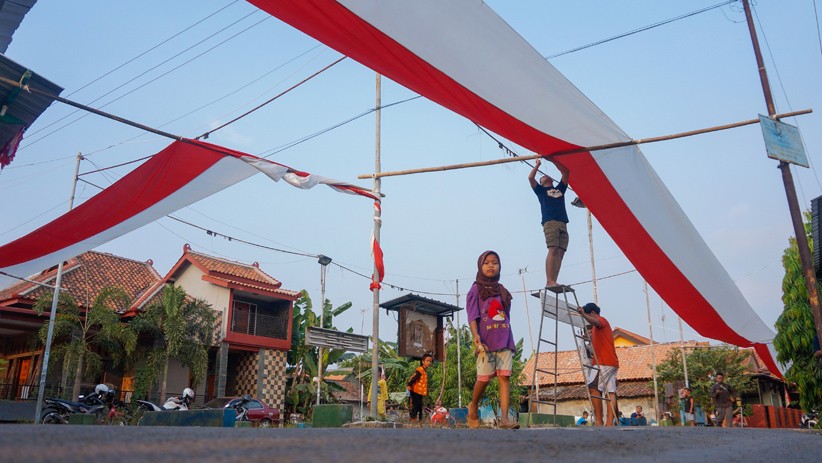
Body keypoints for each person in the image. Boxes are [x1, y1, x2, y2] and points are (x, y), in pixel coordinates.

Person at [466, 250, 519, 430]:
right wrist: (476, 336)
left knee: (505, 378)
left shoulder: (502, 290)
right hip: (485, 343)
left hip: (504, 340)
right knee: (484, 379)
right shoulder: (475, 290)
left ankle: (504, 419)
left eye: (494, 262)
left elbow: (506, 317)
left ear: (499, 267)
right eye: (487, 262)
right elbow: (472, 315)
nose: (491, 265)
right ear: (480, 266)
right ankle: (473, 405)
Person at [528, 158, 570, 287]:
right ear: (541, 182)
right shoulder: (540, 191)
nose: (545, 176)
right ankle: (549, 280)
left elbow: (566, 172)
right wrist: (538, 165)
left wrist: (553, 160)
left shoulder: (559, 189)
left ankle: (554, 280)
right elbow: (530, 178)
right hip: (550, 222)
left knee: (561, 252)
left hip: (563, 222)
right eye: (542, 177)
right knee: (553, 249)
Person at [577, 302, 619, 426]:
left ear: (592, 313)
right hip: (611, 362)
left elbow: (596, 322)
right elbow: (599, 341)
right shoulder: (598, 329)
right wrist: (588, 339)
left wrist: (583, 314)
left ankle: (599, 421)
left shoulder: (601, 320)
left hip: (603, 362)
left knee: (593, 387)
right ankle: (609, 422)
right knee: (610, 391)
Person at [407, 353, 432, 424]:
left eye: (430, 361)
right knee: (415, 405)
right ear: (423, 361)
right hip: (415, 391)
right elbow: (413, 378)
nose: (429, 363)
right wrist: (409, 385)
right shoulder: (420, 369)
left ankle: (420, 420)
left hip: (420, 392)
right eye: (427, 361)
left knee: (419, 405)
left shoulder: (424, 370)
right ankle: (412, 419)